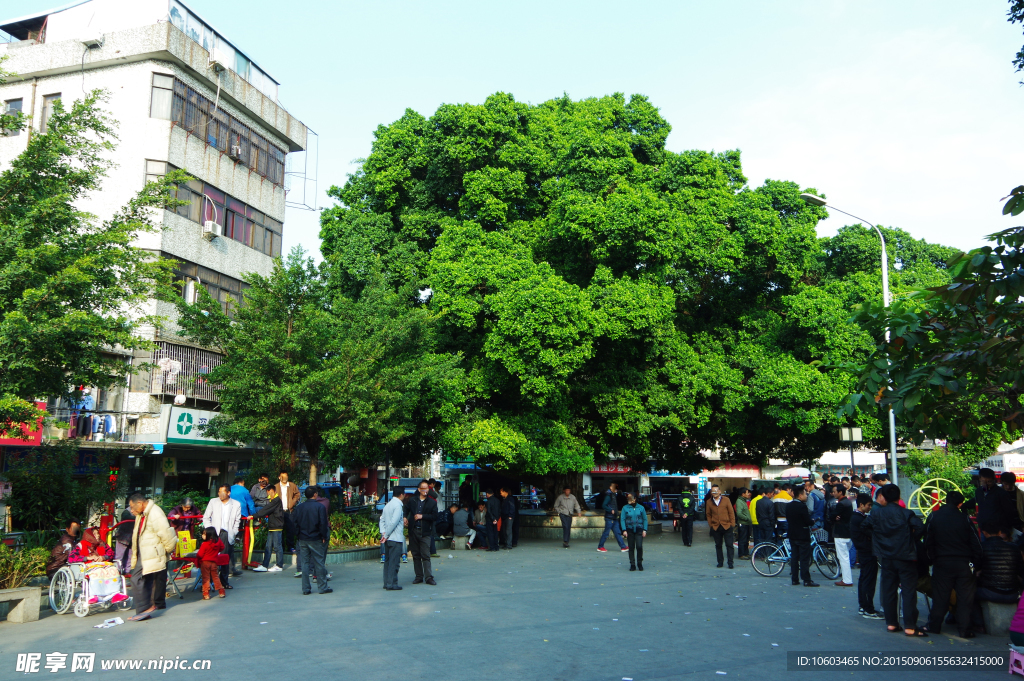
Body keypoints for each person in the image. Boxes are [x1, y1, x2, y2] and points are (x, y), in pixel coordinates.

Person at [864, 484, 926, 636]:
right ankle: (910, 626)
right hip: (905, 555)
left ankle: (891, 623)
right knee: (908, 590)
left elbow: (864, 526)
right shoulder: (906, 513)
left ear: (883, 497)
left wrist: (879, 538)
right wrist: (910, 539)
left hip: (887, 555)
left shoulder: (877, 514)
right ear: (899, 497)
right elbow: (921, 528)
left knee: (889, 589)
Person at [922, 491, 981, 637]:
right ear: (960, 504)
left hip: (942, 563)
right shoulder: (964, 519)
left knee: (941, 596)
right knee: (965, 598)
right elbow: (976, 543)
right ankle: (965, 629)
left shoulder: (934, 516)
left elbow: (927, 541)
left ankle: (934, 626)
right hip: (963, 563)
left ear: (945, 501)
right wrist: (976, 563)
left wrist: (932, 559)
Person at [127, 493, 177, 621]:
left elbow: (166, 533)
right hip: (144, 553)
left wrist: (166, 551)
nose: (131, 510)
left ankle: (146, 608)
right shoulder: (142, 514)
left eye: (132, 507)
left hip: (151, 552)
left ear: (140, 503)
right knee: (144, 579)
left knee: (136, 578)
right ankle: (145, 609)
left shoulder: (155, 513)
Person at [971, 521, 1024, 634]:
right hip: (1013, 593)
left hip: (990, 591)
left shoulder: (982, 547)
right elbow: (1020, 570)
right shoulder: (1014, 547)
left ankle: (979, 624)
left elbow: (977, 567)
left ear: (984, 533)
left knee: (968, 593)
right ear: (1000, 532)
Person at [202, 484, 242, 590]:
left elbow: (237, 521)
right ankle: (209, 583)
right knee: (211, 558)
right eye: (219, 492)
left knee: (224, 560)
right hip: (214, 533)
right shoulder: (213, 502)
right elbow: (206, 517)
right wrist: (210, 530)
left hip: (227, 533)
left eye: (222, 492)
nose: (220, 494)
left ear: (228, 493)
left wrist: (234, 532)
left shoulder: (236, 504)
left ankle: (224, 582)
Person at [294, 487, 332, 595]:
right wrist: (323, 536)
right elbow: (322, 524)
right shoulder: (320, 507)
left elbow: (295, 523)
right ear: (315, 494)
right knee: (319, 562)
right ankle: (322, 587)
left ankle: (305, 588)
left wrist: (298, 535)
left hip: (303, 538)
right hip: (316, 538)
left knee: (305, 563)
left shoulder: (299, 507)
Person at [850, 493, 882, 619]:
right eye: (868, 505)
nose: (870, 508)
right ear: (861, 505)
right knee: (868, 580)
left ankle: (864, 606)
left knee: (864, 579)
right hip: (867, 551)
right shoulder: (859, 519)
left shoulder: (856, 517)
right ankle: (868, 608)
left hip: (864, 551)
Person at [405, 479, 438, 585]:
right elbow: (406, 509)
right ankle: (418, 576)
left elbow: (434, 516)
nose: (425, 490)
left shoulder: (432, 502)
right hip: (414, 530)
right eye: (423, 488)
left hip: (425, 532)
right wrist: (405, 517)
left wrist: (422, 516)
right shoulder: (413, 500)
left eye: (427, 488)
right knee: (416, 555)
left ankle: (429, 577)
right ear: (419, 489)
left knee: (426, 555)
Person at [788, 486, 818, 587]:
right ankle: (806, 579)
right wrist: (813, 521)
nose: (806, 496)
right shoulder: (802, 506)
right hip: (802, 535)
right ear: (800, 496)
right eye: (805, 494)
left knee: (794, 558)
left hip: (792, 534)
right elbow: (807, 521)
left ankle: (794, 579)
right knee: (804, 559)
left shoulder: (789, 506)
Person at [252, 486, 286, 572]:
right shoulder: (273, 500)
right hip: (272, 526)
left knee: (277, 546)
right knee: (268, 546)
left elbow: (265, 509)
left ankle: (279, 565)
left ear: (273, 491)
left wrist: (254, 516)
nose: (268, 494)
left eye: (269, 492)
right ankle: (265, 565)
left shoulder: (276, 500)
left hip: (276, 526)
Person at [379, 488, 407, 590]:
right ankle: (392, 584)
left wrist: (384, 534)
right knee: (394, 563)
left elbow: (381, 520)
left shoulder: (387, 505)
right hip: (395, 538)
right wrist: (386, 535)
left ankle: (386, 582)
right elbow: (394, 522)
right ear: (401, 495)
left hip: (388, 538)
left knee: (387, 561)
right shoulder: (398, 506)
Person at [706, 484, 736, 569]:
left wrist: (732, 524)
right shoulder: (709, 502)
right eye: (713, 491)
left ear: (719, 491)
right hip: (716, 526)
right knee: (718, 545)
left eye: (716, 491)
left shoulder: (726, 500)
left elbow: (731, 512)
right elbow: (708, 514)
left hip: (727, 526)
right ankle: (720, 562)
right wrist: (711, 524)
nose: (714, 493)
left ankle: (730, 562)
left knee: (729, 545)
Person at [831, 485, 854, 588]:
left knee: (843, 557)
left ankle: (847, 579)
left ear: (840, 492)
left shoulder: (841, 504)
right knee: (845, 556)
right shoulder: (847, 502)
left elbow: (832, 516)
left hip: (841, 533)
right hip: (847, 532)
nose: (833, 493)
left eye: (835, 491)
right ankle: (846, 578)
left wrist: (835, 517)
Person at [196, 527, 228, 599]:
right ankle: (221, 591)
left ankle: (206, 593)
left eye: (204, 534)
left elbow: (200, 555)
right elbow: (222, 547)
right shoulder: (218, 541)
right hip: (214, 562)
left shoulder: (205, 544)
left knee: (206, 578)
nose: (202, 535)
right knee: (216, 577)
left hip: (205, 563)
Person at [274, 468, 300, 557]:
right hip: (279, 512)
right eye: (283, 476)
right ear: (279, 477)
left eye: (286, 476)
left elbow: (297, 494)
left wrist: (293, 502)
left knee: (290, 529)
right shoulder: (276, 487)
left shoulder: (292, 485)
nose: (285, 478)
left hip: (289, 511)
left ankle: (290, 546)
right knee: (280, 529)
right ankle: (281, 547)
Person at [619, 493, 648, 571]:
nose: (629, 499)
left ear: (635, 499)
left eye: (630, 498)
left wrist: (645, 530)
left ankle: (639, 563)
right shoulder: (625, 508)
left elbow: (645, 519)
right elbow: (622, 519)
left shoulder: (641, 508)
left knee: (639, 546)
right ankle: (632, 564)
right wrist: (624, 530)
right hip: (629, 529)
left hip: (639, 529)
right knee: (631, 547)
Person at [597, 483, 628, 553]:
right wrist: (610, 510)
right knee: (606, 533)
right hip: (610, 517)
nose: (616, 489)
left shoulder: (612, 495)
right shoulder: (609, 496)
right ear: (611, 487)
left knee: (617, 532)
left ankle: (623, 546)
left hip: (613, 517)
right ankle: (600, 546)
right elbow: (604, 505)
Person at [734, 488, 753, 559]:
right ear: (743, 494)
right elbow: (739, 513)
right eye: (747, 493)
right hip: (743, 523)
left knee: (747, 539)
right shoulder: (739, 501)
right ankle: (741, 554)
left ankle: (746, 553)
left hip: (747, 523)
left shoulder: (744, 501)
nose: (748, 494)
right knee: (742, 539)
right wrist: (747, 518)